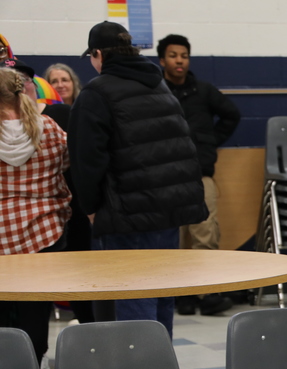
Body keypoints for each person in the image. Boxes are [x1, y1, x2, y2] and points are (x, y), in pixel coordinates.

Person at [68, 21, 207, 338]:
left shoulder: (95, 94)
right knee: (160, 296)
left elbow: (86, 160)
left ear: (99, 54)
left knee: (130, 300)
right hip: (169, 214)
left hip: (126, 217)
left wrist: (91, 210)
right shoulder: (161, 88)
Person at [157, 33, 240, 316]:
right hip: (166, 177)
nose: (179, 61)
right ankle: (181, 296)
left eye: (184, 55)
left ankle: (207, 294)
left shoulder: (203, 91)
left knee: (206, 234)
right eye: (173, 55)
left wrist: (209, 142)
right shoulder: (156, 91)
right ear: (162, 60)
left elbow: (232, 115)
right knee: (175, 240)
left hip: (200, 174)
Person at [0, 67, 71, 369]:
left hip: (3, 230)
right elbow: (69, 165)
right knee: (36, 306)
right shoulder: (49, 128)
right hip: (45, 230)